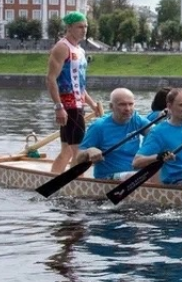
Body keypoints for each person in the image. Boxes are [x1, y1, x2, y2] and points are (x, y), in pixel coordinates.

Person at [46, 11, 101, 172]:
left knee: (67, 151)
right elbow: (50, 79)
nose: (84, 30)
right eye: (80, 27)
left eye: (86, 27)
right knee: (80, 152)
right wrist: (59, 107)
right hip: (68, 107)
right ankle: (77, 186)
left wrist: (92, 104)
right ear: (69, 28)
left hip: (78, 106)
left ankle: (54, 178)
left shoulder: (80, 50)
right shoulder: (62, 48)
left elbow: (79, 85)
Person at [72, 88, 150, 180]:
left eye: (131, 104)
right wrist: (89, 151)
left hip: (135, 173)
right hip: (108, 177)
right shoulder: (99, 126)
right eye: (122, 104)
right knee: (133, 176)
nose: (128, 109)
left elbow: (158, 134)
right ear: (111, 106)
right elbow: (78, 158)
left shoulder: (137, 120)